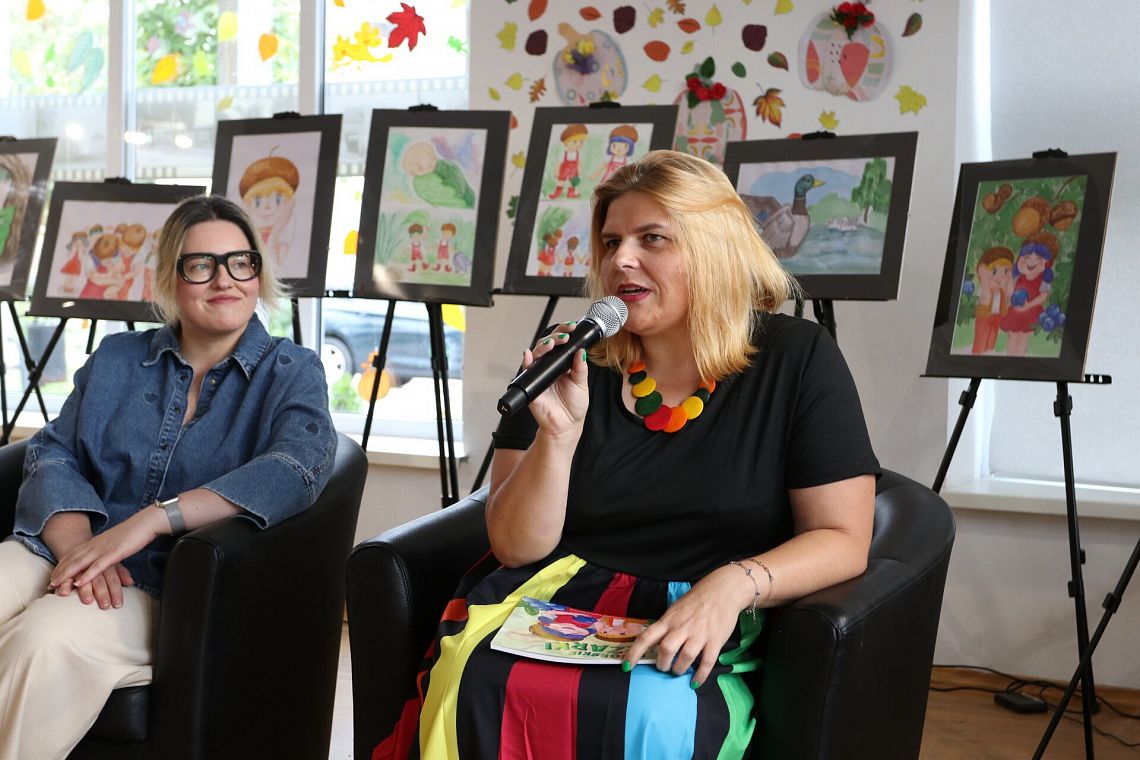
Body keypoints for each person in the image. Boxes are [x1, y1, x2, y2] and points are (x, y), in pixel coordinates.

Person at [374, 150, 879, 758]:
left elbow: (843, 536)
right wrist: (557, 438)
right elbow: (514, 547)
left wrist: (732, 585)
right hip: (556, 600)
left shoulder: (798, 358)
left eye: (652, 238)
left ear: (714, 248)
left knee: (654, 713)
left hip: (710, 608)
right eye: (612, 242)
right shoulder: (568, 357)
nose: (621, 260)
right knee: (474, 680)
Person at [0, 194, 337, 759]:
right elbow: (53, 452)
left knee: (43, 639)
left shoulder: (292, 371)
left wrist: (154, 520)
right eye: (201, 264)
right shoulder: (116, 357)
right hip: (61, 550)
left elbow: (296, 468)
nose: (225, 279)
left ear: (258, 272)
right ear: (170, 278)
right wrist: (80, 550)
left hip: (167, 587)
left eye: (241, 262)